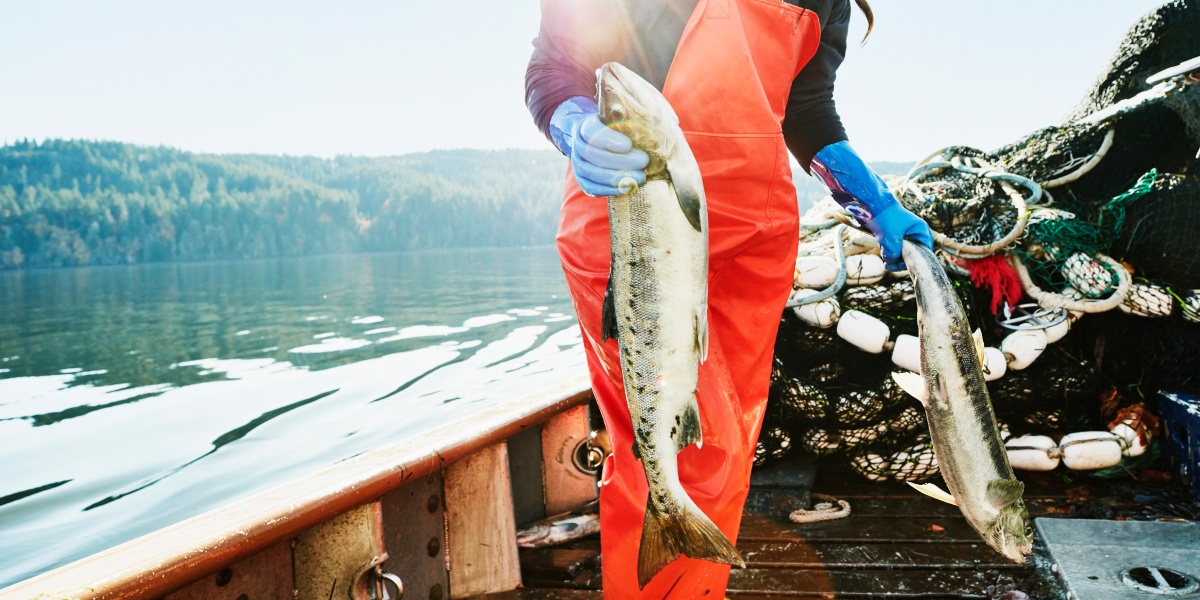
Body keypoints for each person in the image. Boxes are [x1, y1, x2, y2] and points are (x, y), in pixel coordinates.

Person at [525, 1, 934, 597]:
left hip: (751, 241)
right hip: (628, 227)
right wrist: (574, 124)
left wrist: (869, 196)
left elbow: (806, 107)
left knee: (727, 445)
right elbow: (554, 66)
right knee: (658, 448)